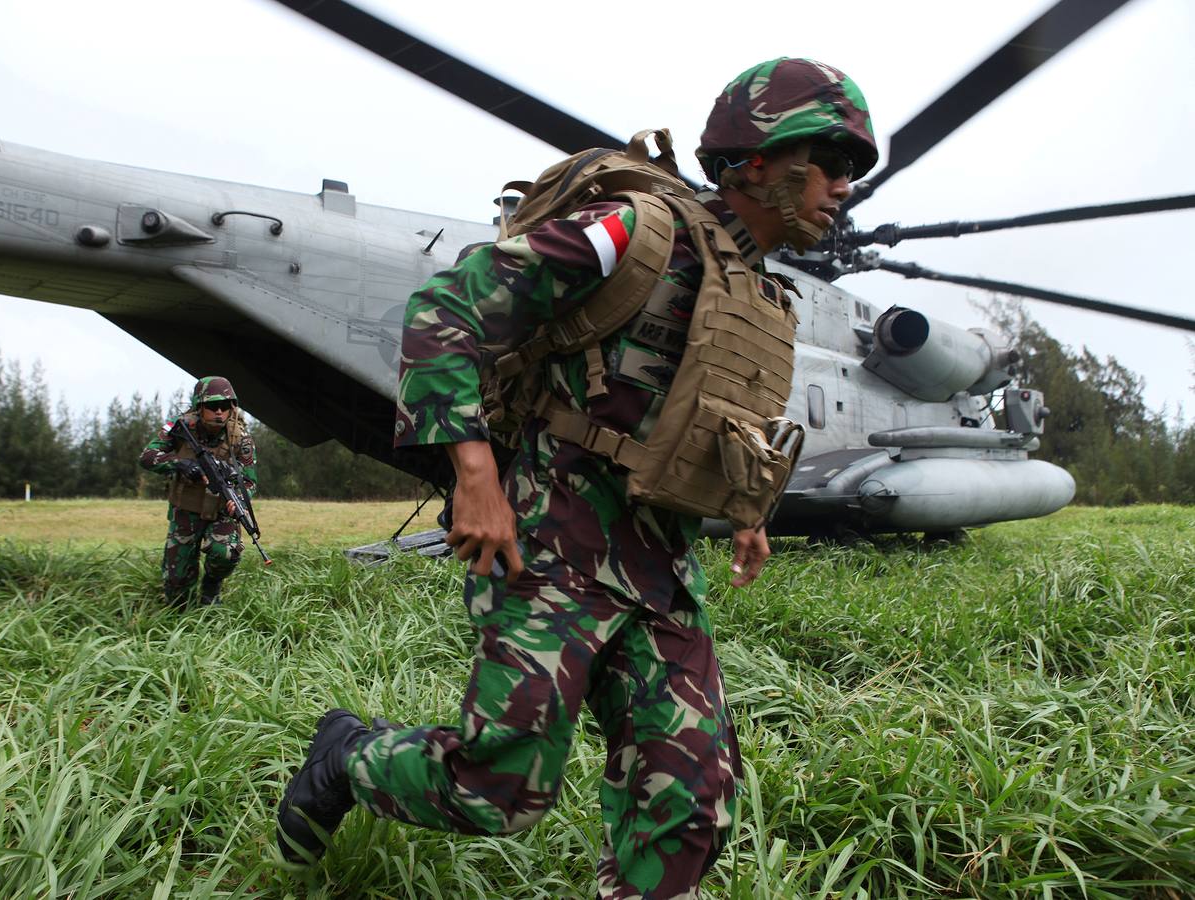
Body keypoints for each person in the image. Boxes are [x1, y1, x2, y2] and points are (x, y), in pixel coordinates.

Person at [278, 58, 878, 897]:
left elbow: (708, 418)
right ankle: (347, 754)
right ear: (755, 159)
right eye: (834, 162)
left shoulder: (756, 294)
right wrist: (477, 477)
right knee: (498, 789)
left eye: (854, 171)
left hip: (660, 565)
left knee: (691, 797)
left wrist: (748, 512)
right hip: (551, 544)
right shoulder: (635, 231)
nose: (846, 187)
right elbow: (445, 311)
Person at [138, 376, 257, 607]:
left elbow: (250, 482)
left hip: (222, 510)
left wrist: (240, 501)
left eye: (226, 406)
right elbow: (147, 456)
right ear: (199, 406)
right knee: (177, 581)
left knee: (225, 553)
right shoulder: (180, 427)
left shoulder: (241, 439)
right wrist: (179, 463)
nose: (219, 412)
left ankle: (212, 586)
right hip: (186, 509)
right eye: (213, 406)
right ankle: (180, 612)